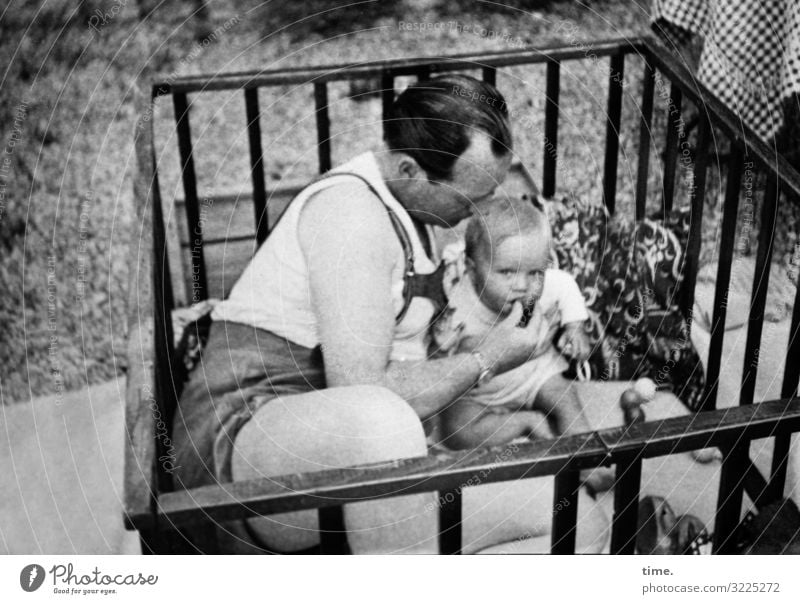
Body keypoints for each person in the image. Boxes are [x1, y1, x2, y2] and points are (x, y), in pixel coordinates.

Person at [173, 74, 609, 554]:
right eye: (467, 200)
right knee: (384, 420)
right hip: (248, 452)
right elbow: (362, 395)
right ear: (408, 169)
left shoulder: (418, 207)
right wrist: (487, 358)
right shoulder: (351, 217)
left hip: (363, 467)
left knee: (578, 523)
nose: (473, 215)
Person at [432, 196, 614, 493]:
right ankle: (527, 423)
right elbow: (440, 357)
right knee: (455, 432)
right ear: (472, 268)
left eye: (535, 272)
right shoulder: (456, 303)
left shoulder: (541, 286)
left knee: (565, 396)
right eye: (507, 272)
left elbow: (566, 285)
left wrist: (574, 326)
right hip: (481, 393)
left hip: (534, 374)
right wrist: (447, 344)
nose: (523, 285)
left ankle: (589, 456)